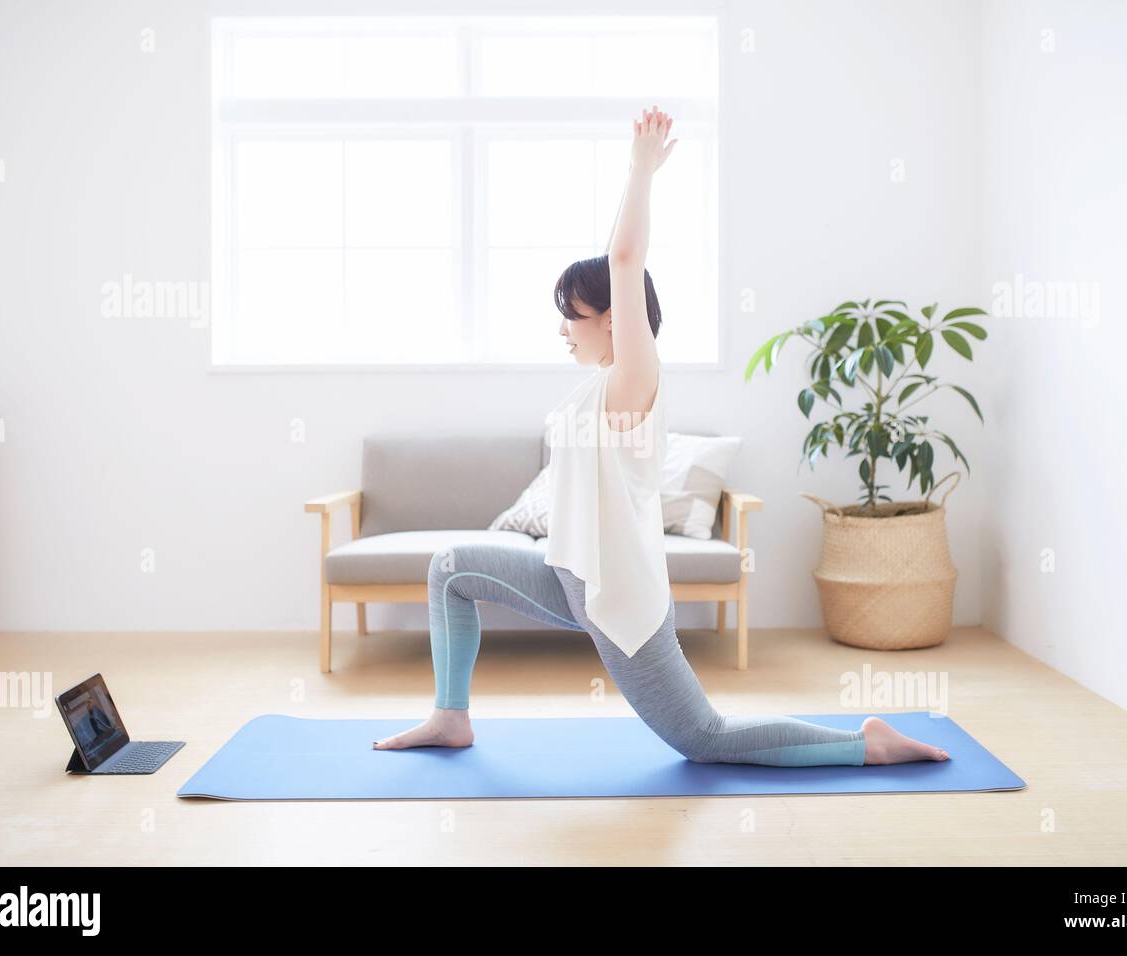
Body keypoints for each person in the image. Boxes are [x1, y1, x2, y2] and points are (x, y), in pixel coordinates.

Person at [375, 106, 949, 767]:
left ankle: (865, 743)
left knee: (703, 740)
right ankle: (450, 718)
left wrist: (640, 170)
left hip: (619, 601)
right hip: (568, 576)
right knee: (449, 569)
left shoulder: (632, 380)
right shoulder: (592, 388)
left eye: (573, 315)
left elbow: (625, 256)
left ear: (616, 322)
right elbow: (609, 259)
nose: (563, 329)